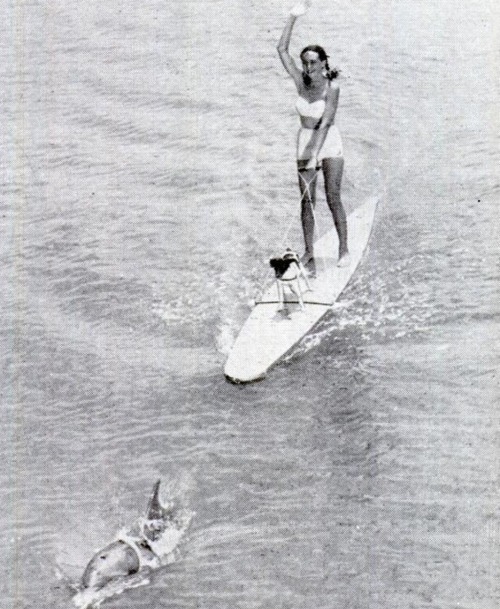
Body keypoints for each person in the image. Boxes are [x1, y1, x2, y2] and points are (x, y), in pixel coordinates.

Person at [277, 0, 350, 273]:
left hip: (328, 141)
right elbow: (281, 49)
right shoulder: (299, 80)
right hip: (304, 141)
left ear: (322, 63)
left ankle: (343, 249)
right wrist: (292, 17)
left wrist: (314, 155)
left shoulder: (332, 86)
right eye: (304, 63)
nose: (307, 68)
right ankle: (309, 251)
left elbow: (326, 121)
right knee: (307, 201)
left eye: (313, 63)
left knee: (333, 197)